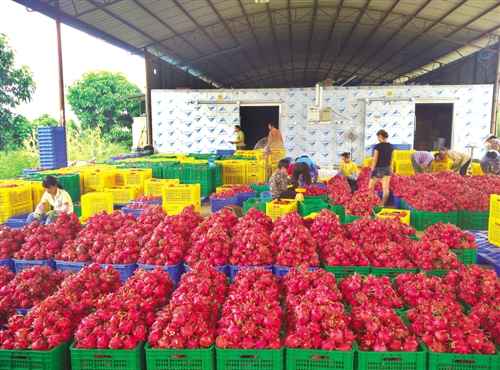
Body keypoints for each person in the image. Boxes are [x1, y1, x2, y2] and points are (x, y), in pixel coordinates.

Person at [369, 130, 394, 205]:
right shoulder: (391, 146)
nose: (377, 139)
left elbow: (375, 160)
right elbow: (391, 159)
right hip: (387, 168)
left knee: (370, 188)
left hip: (378, 169)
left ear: (380, 136)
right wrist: (390, 167)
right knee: (385, 188)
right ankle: (382, 204)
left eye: (378, 137)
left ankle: (370, 203)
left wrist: (372, 171)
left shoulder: (378, 146)